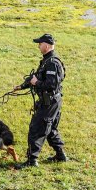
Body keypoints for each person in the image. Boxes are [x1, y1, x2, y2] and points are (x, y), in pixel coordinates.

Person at [13, 34, 67, 169]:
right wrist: (22, 86)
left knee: (36, 129)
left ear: (47, 46)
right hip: (52, 101)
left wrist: (36, 83)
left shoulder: (53, 63)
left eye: (40, 43)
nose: (38, 46)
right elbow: (36, 77)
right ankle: (60, 155)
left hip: (49, 102)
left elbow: (51, 85)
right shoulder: (46, 61)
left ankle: (32, 160)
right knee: (51, 128)